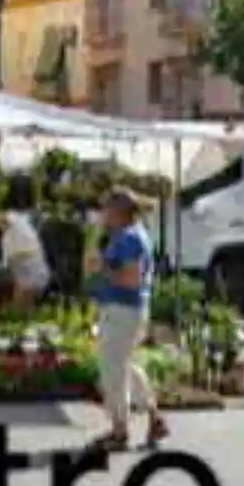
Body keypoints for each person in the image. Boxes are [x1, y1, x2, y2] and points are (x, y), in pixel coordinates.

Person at [88, 188, 167, 451]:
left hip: (123, 310)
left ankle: (120, 430)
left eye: (106, 209)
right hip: (126, 310)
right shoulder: (129, 235)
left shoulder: (129, 239)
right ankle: (154, 417)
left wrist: (102, 268)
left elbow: (131, 279)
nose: (103, 214)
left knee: (113, 371)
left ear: (118, 212)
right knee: (124, 365)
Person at [0, 195, 51, 312]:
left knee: (24, 289)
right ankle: (23, 313)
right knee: (24, 288)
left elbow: (3, 219)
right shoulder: (23, 221)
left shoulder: (14, 218)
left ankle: (22, 313)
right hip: (26, 259)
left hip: (26, 260)